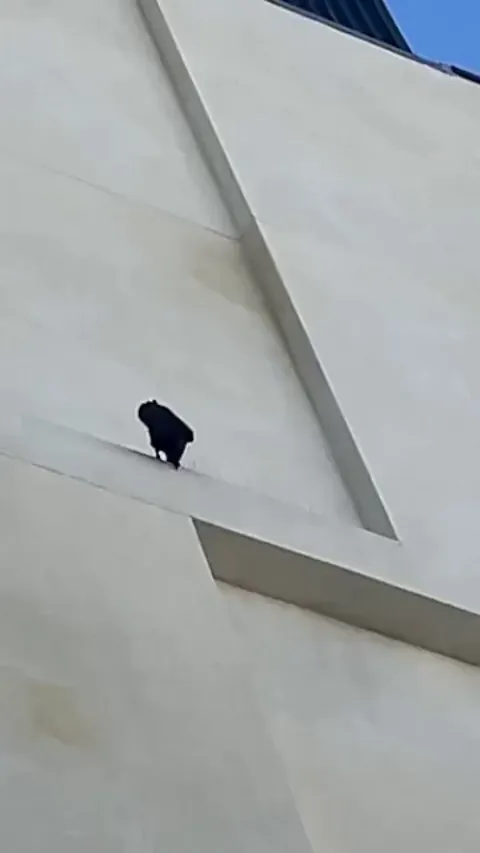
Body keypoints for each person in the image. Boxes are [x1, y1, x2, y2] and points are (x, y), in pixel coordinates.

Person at [137, 400, 194, 469]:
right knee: (172, 463)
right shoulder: (161, 411)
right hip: (176, 437)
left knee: (171, 463)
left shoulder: (155, 413)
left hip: (173, 438)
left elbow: (155, 429)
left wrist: (155, 445)